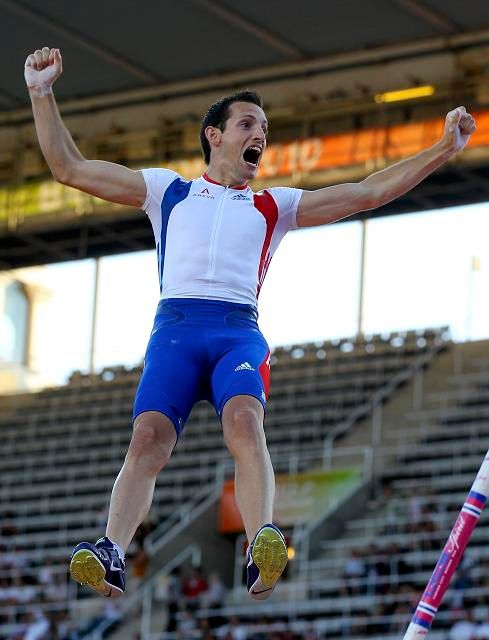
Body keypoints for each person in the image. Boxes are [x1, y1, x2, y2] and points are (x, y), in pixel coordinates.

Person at [24, 46, 476, 602]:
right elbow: (68, 168)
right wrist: (41, 93)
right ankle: (112, 551)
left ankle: (262, 537)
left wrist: (441, 149)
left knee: (244, 422)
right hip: (175, 331)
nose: (259, 133)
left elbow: (368, 192)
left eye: (264, 127)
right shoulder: (168, 191)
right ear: (214, 135)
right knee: (147, 440)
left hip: (237, 330)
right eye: (247, 123)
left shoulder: (274, 205)